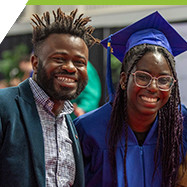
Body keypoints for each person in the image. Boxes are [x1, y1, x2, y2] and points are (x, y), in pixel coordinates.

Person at [74, 11, 187, 187]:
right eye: (143, 76)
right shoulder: (88, 129)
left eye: (164, 80)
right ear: (124, 80)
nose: (153, 87)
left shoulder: (181, 122)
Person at [0, 8, 99, 187]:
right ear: (35, 64)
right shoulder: (4, 106)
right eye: (59, 59)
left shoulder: (70, 124)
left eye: (79, 62)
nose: (70, 68)